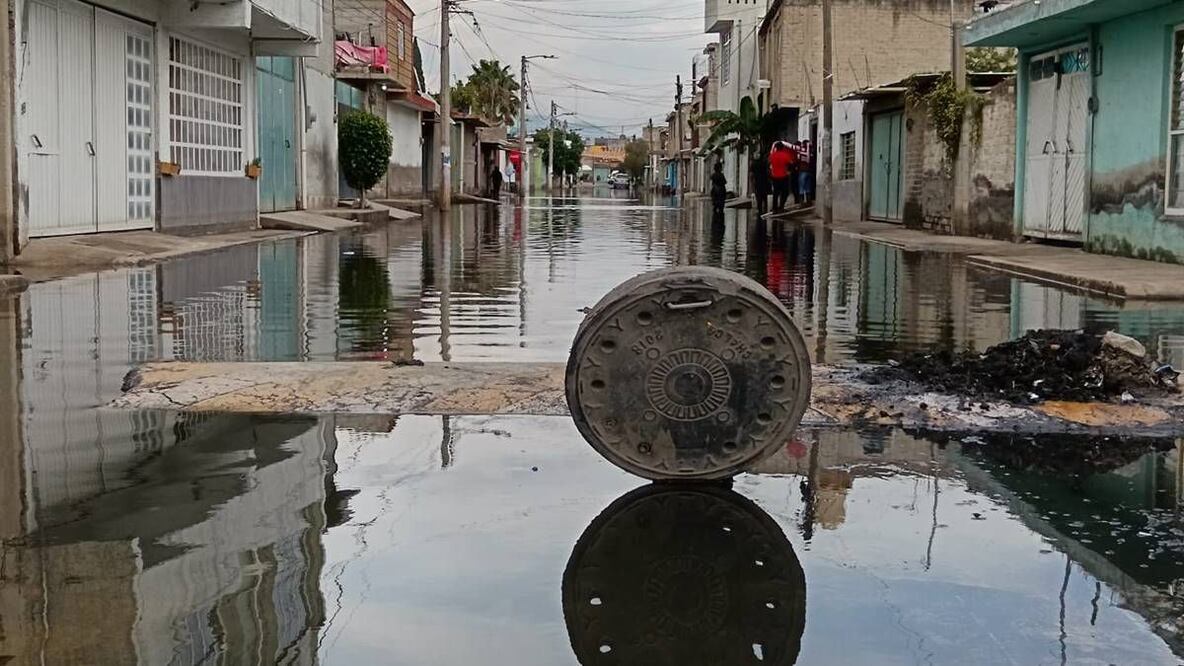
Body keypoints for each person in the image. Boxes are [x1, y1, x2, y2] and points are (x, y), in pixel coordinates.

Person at [769, 142, 794, 213]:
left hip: (774, 176)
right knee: (785, 192)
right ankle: (781, 207)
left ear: (776, 148)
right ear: (783, 148)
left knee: (775, 193)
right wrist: (789, 171)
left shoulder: (772, 155)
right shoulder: (785, 155)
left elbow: (768, 165)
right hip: (784, 176)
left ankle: (774, 208)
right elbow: (791, 164)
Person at [797, 140, 814, 205]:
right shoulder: (810, 152)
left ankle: (801, 202)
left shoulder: (801, 152)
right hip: (809, 171)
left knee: (801, 187)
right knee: (808, 186)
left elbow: (798, 160)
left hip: (802, 171)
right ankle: (808, 201)